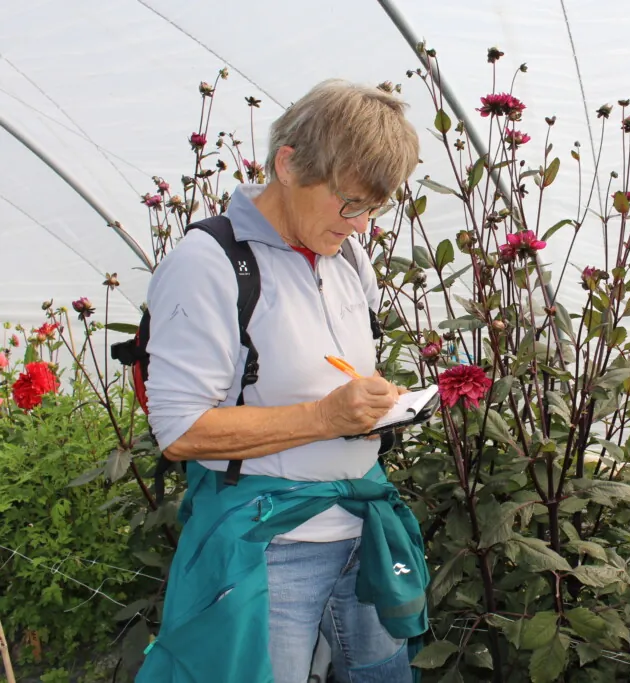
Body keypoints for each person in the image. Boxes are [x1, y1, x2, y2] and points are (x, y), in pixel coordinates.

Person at [136, 80, 424, 683]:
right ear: (288, 164)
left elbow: (330, 375)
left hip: (359, 525)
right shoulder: (207, 263)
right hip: (271, 546)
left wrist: (377, 401)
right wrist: (325, 418)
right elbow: (181, 431)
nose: (363, 224)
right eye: (350, 202)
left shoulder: (348, 258)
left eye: (375, 206)